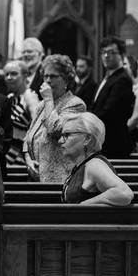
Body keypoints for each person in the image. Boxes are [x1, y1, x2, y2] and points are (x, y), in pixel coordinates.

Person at [24, 54, 87, 182]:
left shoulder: (76, 104)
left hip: (60, 179)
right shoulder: (42, 105)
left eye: (53, 76)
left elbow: (55, 131)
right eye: (45, 76)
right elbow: (28, 137)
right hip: (36, 177)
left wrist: (48, 99)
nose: (47, 80)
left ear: (66, 79)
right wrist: (28, 160)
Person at [59, 112, 134, 206]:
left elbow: (124, 193)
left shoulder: (94, 165)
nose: (60, 141)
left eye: (67, 135)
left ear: (87, 139)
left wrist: (83, 206)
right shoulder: (84, 164)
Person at [90, 35, 135, 159]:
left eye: (111, 52)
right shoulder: (107, 78)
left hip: (114, 143)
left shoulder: (122, 79)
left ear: (121, 55)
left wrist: (86, 123)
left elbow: (109, 112)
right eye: (103, 52)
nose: (106, 56)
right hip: (103, 141)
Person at [3, 60, 40, 166]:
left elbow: (38, 129)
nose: (9, 77)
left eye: (14, 74)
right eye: (6, 74)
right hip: (6, 156)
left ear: (25, 75)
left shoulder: (30, 96)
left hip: (21, 159)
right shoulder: (10, 97)